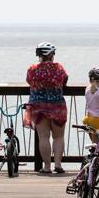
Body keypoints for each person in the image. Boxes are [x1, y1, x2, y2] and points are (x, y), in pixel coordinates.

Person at [26, 42, 68, 174]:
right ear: (51, 55)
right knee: (58, 137)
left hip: (39, 107)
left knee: (43, 137)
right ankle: (58, 164)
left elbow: (29, 81)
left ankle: (47, 167)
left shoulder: (32, 69)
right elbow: (64, 80)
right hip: (57, 106)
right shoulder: (59, 68)